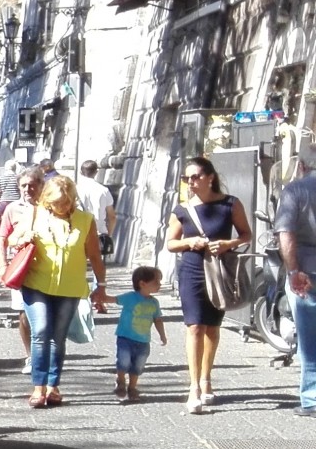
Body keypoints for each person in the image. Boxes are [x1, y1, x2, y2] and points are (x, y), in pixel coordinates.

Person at [164, 156, 253, 413]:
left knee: (212, 328)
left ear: (210, 177)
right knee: (194, 326)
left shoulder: (230, 204)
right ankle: (193, 387)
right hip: (192, 269)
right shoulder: (182, 210)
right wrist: (189, 242)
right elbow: (171, 243)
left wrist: (228, 244)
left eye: (195, 177)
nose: (190, 182)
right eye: (186, 178)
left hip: (218, 271)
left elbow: (246, 234)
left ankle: (206, 378)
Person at [21, 173, 109, 408]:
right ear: (47, 199)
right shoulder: (34, 214)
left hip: (70, 287)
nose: (62, 207)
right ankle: (38, 386)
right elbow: (11, 239)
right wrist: (23, 237)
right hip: (36, 283)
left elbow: (94, 256)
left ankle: (53, 385)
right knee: (40, 330)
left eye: (66, 202)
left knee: (57, 337)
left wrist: (101, 286)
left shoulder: (85, 220)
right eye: (57, 202)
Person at [273, 152, 316, 418]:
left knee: (310, 340)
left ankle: (312, 399)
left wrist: (293, 270)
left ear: (302, 165)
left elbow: (285, 233)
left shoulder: (295, 190)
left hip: (307, 271)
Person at [0, 165, 47, 373]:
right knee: (23, 312)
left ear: (41, 186)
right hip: (21, 268)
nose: (27, 189)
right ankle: (30, 356)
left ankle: (45, 353)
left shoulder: (49, 207)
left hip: (46, 268)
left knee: (46, 313)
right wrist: (2, 266)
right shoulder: (12, 209)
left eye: (31, 185)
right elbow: (2, 240)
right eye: (23, 185)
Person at [112, 266, 167, 403]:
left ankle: (132, 387)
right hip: (125, 337)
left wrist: (162, 334)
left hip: (143, 340)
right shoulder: (130, 297)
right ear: (142, 283)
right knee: (123, 361)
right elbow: (113, 300)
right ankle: (120, 380)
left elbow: (157, 319)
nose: (159, 285)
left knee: (138, 365)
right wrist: (99, 297)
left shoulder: (154, 302)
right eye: (156, 282)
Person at [76, 160, 116, 255]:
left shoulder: (74, 189)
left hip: (78, 232)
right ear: (96, 172)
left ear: (80, 172)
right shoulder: (104, 191)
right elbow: (112, 217)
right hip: (99, 232)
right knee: (96, 262)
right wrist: (108, 234)